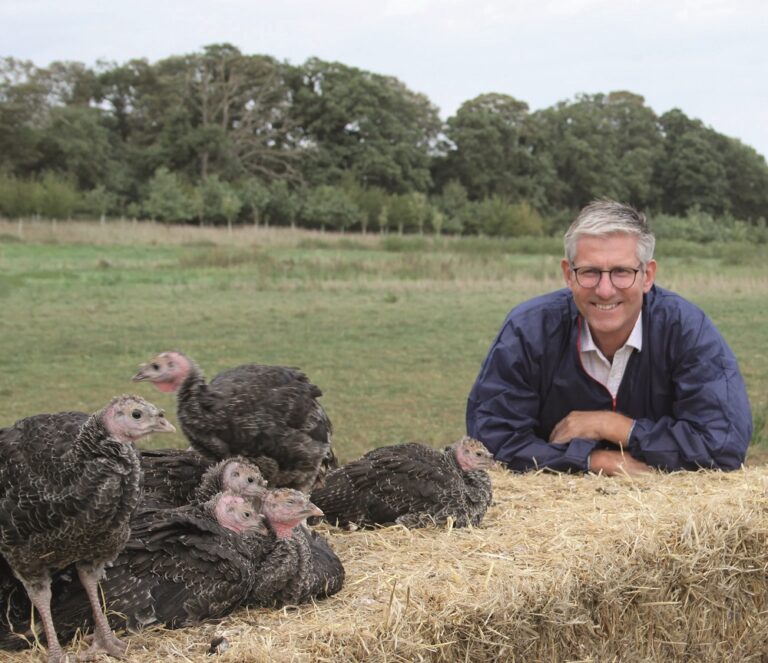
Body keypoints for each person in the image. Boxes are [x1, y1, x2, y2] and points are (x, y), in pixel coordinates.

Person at [466, 200, 752, 475]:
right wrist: (594, 460)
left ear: (647, 275)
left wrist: (615, 427)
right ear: (568, 274)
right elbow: (490, 442)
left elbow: (724, 443)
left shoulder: (687, 330)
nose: (605, 290)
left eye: (621, 272)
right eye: (589, 272)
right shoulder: (528, 331)